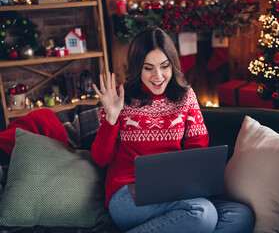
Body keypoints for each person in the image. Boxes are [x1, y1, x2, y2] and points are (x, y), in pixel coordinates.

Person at [91, 28, 254, 233]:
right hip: (129, 196)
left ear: (173, 65)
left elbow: (198, 154)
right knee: (202, 214)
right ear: (137, 68)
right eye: (148, 68)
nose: (157, 76)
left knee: (240, 215)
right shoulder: (119, 99)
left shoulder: (186, 97)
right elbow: (101, 158)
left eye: (164, 66)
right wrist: (111, 118)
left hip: (177, 193)